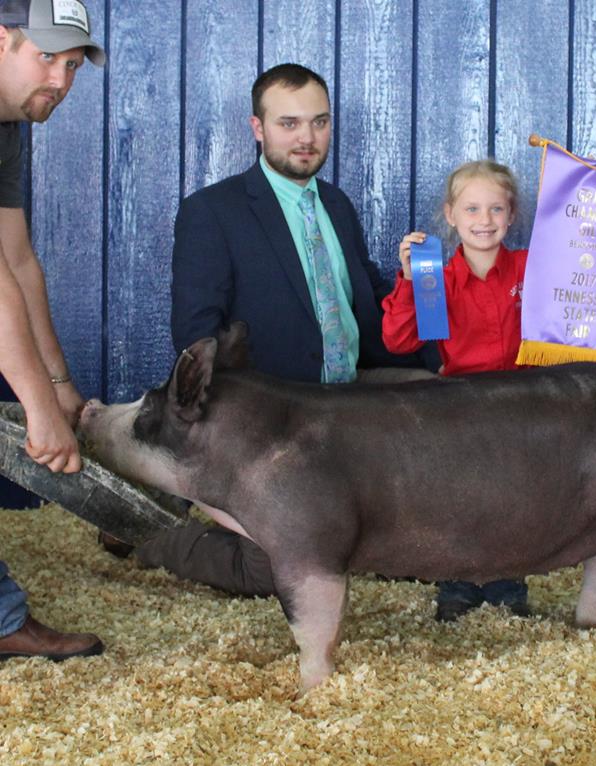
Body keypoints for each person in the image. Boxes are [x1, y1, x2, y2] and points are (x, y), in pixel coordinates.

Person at [101, 63, 436, 594]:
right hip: (274, 423)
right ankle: (152, 533)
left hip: (351, 405)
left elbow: (366, 307)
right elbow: (196, 336)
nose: (307, 138)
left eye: (319, 122)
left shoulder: (338, 205)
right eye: (289, 123)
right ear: (257, 128)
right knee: (271, 571)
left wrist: (425, 308)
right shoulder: (213, 211)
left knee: (434, 409)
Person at [0, 0, 105, 660]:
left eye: (72, 65)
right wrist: (40, 410)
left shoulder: (10, 123)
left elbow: (17, 258)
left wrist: (60, 385)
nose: (61, 82)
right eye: (47, 58)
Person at [381, 159, 531, 622]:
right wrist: (408, 279)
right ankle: (458, 580)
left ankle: (507, 580)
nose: (483, 221)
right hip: (460, 406)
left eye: (495, 209)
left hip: (525, 403)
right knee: (458, 495)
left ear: (511, 215)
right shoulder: (435, 279)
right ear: (450, 215)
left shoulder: (532, 269)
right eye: (471, 209)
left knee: (515, 493)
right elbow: (400, 341)